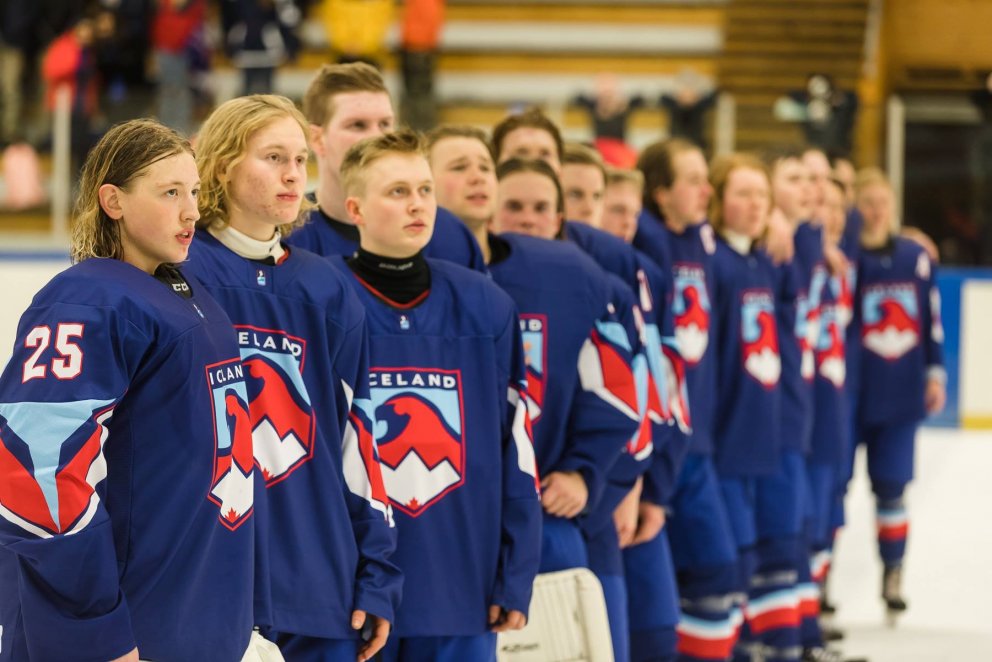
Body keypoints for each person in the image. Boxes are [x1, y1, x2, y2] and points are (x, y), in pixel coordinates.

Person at [0, 119, 260, 661]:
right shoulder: (87, 300)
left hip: (195, 621)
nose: (192, 210)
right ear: (113, 200)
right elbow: (34, 472)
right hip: (128, 632)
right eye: (170, 193)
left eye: (193, 192)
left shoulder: (189, 294)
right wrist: (95, 627)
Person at [183, 94, 402, 662]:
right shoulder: (179, 270)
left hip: (317, 583)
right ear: (223, 163)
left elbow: (360, 440)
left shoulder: (327, 289)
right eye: (273, 157)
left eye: (300, 160)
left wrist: (375, 573)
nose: (292, 175)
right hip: (205, 581)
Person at [334, 129, 542, 661]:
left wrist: (516, 571)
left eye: (425, 190)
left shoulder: (487, 304)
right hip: (348, 589)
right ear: (354, 207)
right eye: (397, 191)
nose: (417, 205)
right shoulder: (322, 299)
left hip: (462, 584)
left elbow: (515, 443)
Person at [636, 139, 740, 662]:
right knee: (697, 572)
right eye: (693, 180)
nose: (707, 190)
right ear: (660, 193)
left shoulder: (699, 235)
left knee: (716, 571)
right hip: (657, 448)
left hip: (694, 444)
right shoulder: (644, 241)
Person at [852, 167, 945, 620]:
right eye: (866, 204)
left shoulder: (915, 256)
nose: (874, 212)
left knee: (891, 488)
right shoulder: (844, 257)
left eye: (881, 204)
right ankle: (819, 583)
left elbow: (930, 319)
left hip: (900, 393)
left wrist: (935, 373)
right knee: (828, 490)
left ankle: (893, 574)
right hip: (849, 394)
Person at [288, 62, 485, 271]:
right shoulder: (286, 234)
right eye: (357, 125)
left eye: (385, 124)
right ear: (317, 139)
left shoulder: (449, 233)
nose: (376, 137)